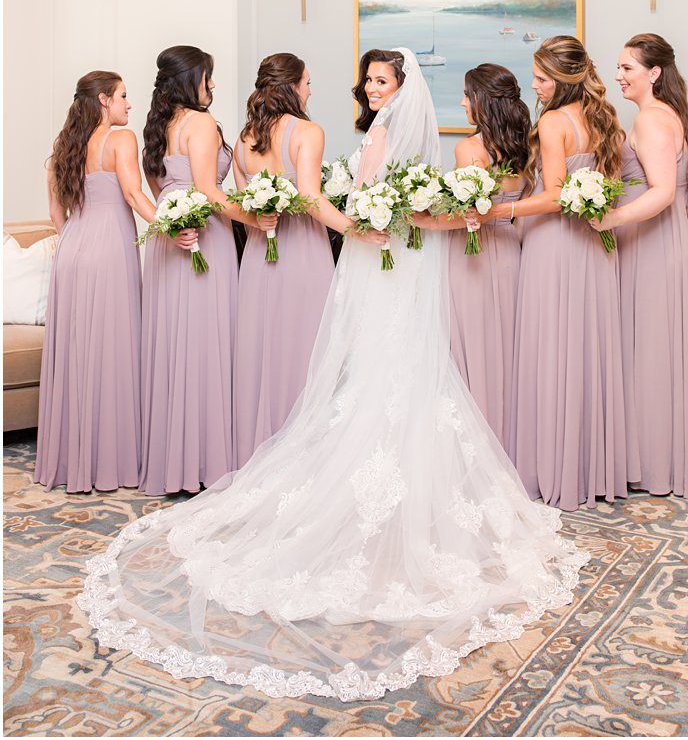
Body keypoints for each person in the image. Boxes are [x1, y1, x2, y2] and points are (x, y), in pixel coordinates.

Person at [79, 48, 588, 700]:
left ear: (402, 87)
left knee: (396, 372)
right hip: (379, 251)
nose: (371, 88)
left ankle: (402, 490)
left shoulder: (379, 133)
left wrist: (375, 219)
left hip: (387, 254)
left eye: (382, 80)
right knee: (371, 373)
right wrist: (365, 221)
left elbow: (383, 196)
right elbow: (358, 196)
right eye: (368, 79)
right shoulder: (364, 132)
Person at [592, 33, 688, 496]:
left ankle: (656, 463)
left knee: (652, 349)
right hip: (676, 241)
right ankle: (667, 457)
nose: (618, 76)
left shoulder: (652, 119)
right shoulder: (668, 114)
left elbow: (661, 192)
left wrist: (608, 220)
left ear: (654, 73)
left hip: (658, 244)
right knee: (663, 349)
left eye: (627, 69)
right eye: (618, 68)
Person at [139, 45, 270, 496]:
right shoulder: (199, 124)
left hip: (169, 241)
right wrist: (258, 220)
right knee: (206, 343)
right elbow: (210, 192)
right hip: (203, 243)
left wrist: (172, 225)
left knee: (175, 345)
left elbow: (161, 192)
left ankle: (173, 460)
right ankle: (204, 463)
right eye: (207, 77)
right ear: (190, 78)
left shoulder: (158, 127)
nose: (212, 85)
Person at [508, 36, 630, 509]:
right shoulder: (605, 119)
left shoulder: (555, 121)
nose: (534, 87)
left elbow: (556, 195)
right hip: (596, 247)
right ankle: (589, 467)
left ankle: (552, 467)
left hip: (554, 245)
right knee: (586, 348)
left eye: (541, 79)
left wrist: (506, 210)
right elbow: (610, 188)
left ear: (560, 81)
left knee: (551, 348)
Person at [35, 72, 158, 492]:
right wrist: (174, 224)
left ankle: (73, 460)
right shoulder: (120, 141)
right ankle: (110, 460)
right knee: (112, 349)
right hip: (110, 251)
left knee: (76, 352)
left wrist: (75, 237)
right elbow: (134, 196)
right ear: (104, 100)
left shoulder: (64, 146)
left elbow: (57, 217)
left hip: (71, 250)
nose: (129, 104)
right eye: (124, 96)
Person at [229, 53, 348, 469]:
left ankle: (258, 459)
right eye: (308, 82)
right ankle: (304, 463)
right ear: (293, 86)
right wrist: (355, 229)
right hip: (303, 253)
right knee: (307, 351)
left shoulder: (244, 139)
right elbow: (312, 198)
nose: (311, 90)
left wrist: (260, 220)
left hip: (259, 256)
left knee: (262, 350)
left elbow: (241, 206)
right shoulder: (308, 132)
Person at [412, 63, 532, 449]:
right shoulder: (524, 145)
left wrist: (425, 220)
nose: (462, 102)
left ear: (481, 101)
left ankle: (478, 446)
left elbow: (470, 215)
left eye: (467, 95)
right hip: (511, 251)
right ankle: (511, 442)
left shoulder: (470, 148)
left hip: (473, 257)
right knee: (506, 348)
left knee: (472, 352)